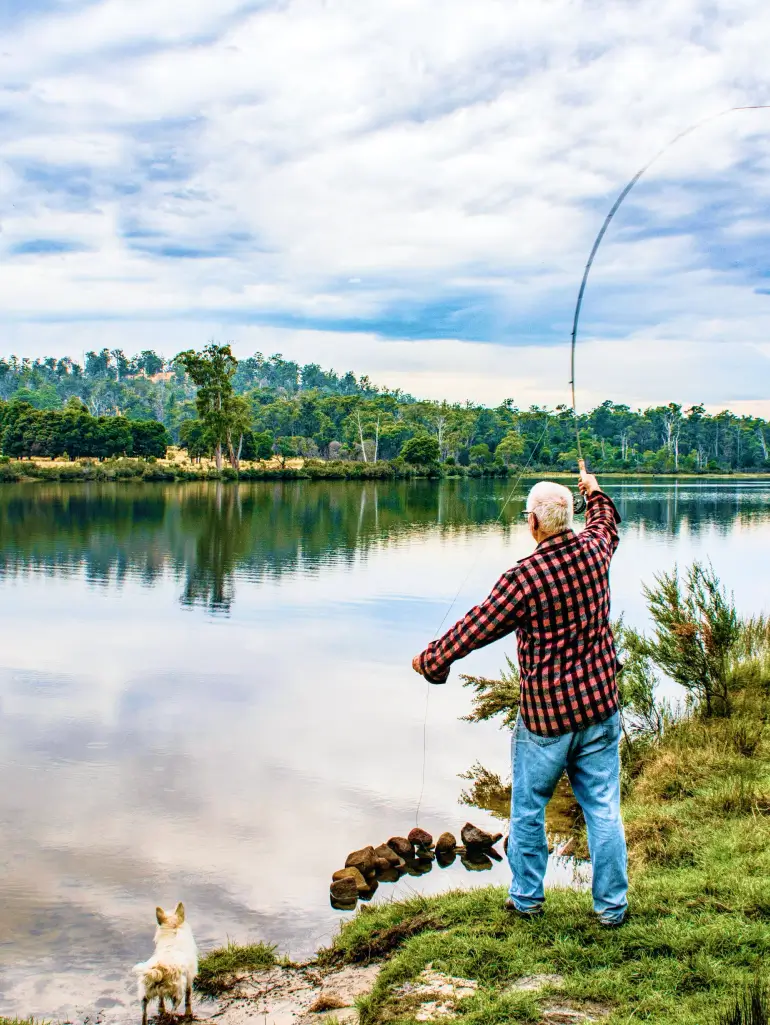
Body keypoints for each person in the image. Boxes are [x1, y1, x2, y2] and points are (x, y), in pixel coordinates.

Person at [412, 462, 628, 927]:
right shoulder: (594, 551)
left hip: (547, 719)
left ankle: (527, 900)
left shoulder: (525, 577)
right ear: (567, 519)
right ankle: (611, 909)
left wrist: (434, 660)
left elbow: (478, 625)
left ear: (533, 522)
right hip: (599, 707)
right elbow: (606, 521)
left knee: (529, 810)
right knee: (604, 809)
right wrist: (594, 490)